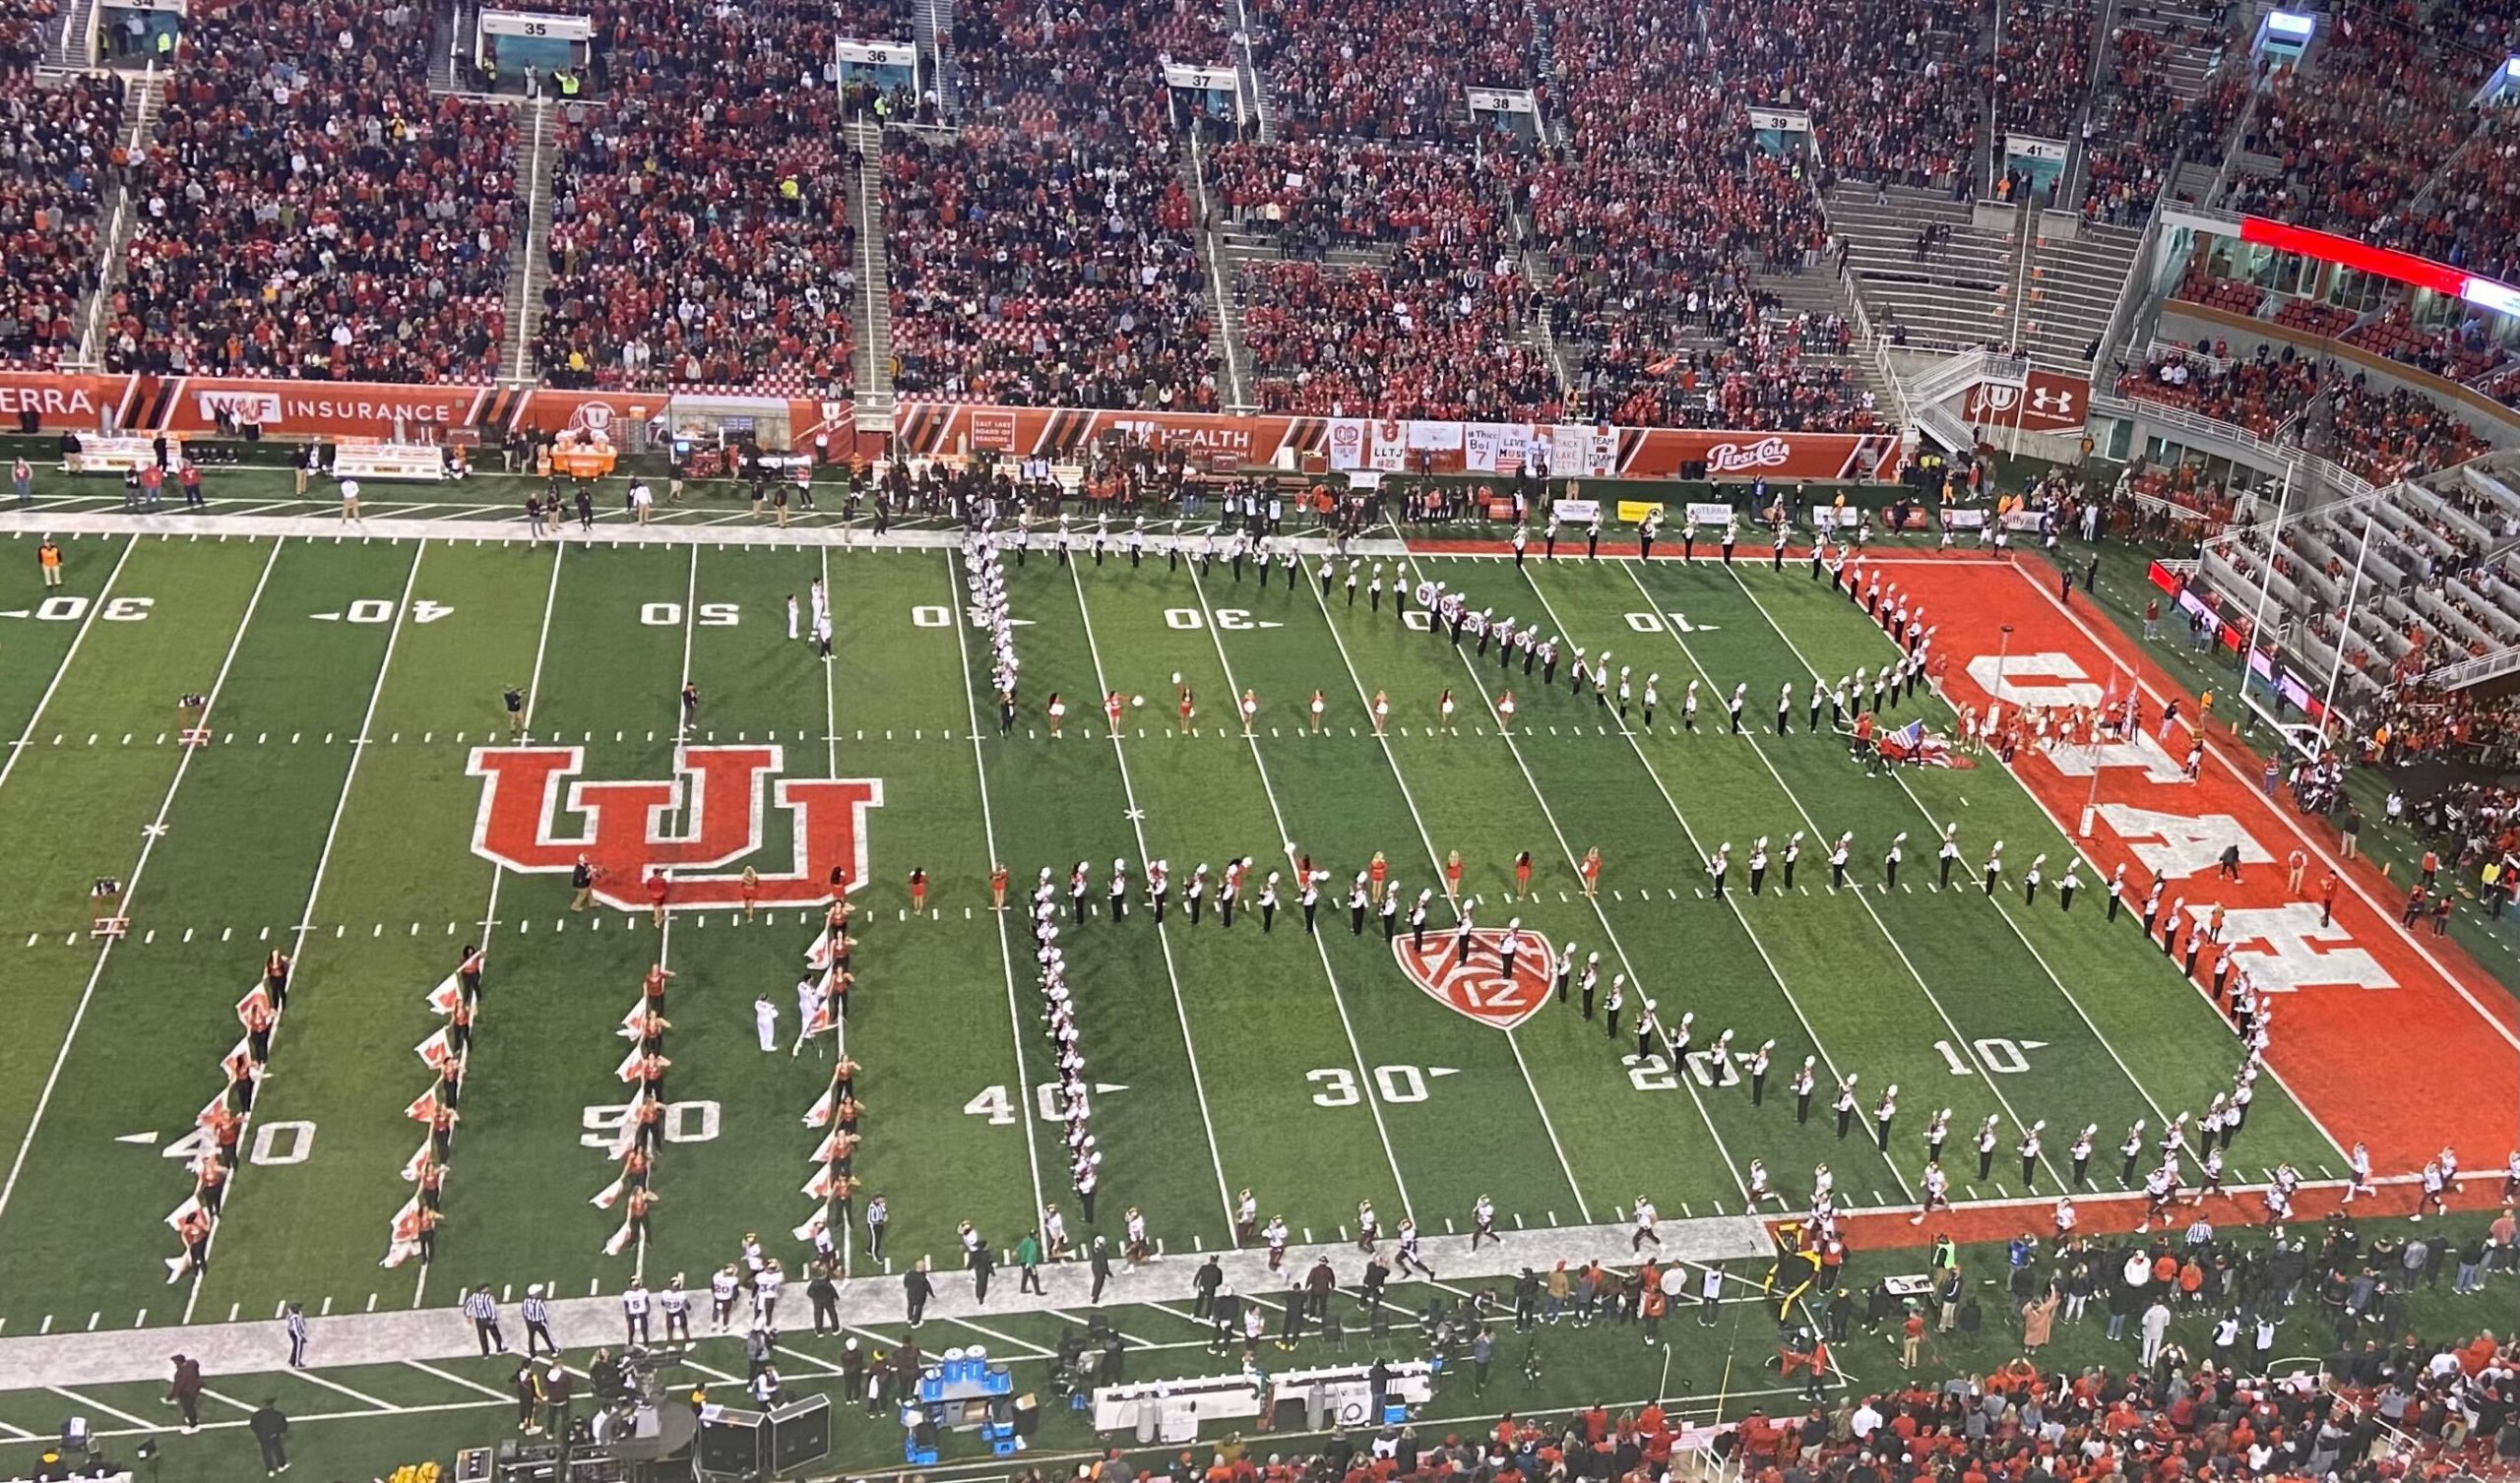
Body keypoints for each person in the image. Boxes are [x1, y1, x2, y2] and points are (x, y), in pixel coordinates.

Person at [249, 1396, 290, 1475]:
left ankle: (270, 1469)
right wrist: (281, 1432)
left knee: (266, 1452)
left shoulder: (257, 1415)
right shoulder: (277, 1414)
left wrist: (259, 1434)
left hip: (262, 1437)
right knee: (278, 1450)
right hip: (274, 1436)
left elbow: (253, 1426)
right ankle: (281, 1465)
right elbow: (283, 1426)